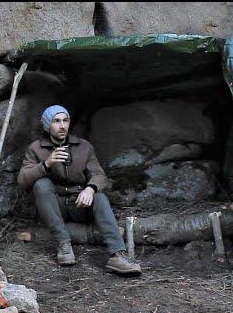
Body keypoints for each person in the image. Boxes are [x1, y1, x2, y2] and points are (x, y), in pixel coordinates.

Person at [17, 105, 142, 276]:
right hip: (54, 207)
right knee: (41, 184)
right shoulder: (36, 149)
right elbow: (23, 180)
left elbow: (99, 175)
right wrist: (47, 164)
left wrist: (90, 189)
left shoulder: (83, 146)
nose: (62, 126)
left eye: (65, 120)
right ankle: (63, 244)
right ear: (48, 125)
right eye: (56, 121)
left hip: (78, 204)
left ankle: (117, 255)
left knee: (99, 197)